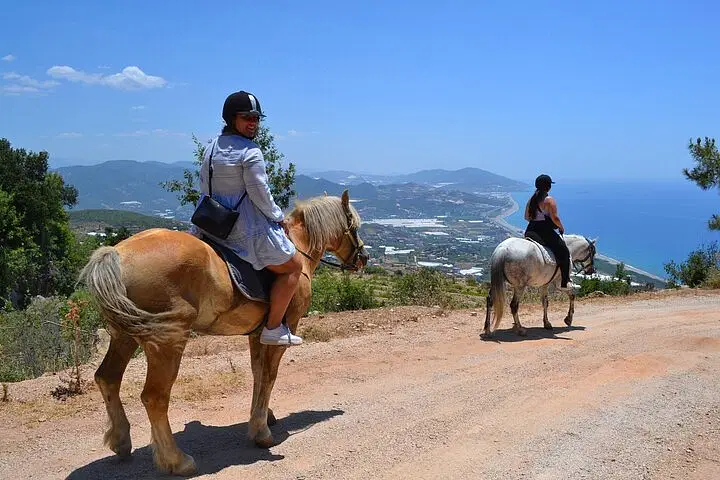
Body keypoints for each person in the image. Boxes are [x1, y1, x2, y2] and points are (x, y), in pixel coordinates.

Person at [194, 90, 303, 346]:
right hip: (242, 226)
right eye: (247, 118)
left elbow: (204, 186)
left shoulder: (211, 146)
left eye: (256, 118)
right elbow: (259, 192)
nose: (253, 123)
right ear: (232, 119)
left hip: (209, 222)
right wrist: (279, 217)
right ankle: (273, 328)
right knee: (294, 266)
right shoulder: (251, 151)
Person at [523, 174, 573, 290]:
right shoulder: (549, 200)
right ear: (548, 187)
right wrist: (561, 227)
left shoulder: (532, 199)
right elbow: (555, 218)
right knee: (564, 252)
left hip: (530, 230)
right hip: (544, 232)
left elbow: (526, 217)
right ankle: (564, 282)